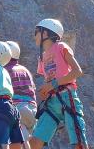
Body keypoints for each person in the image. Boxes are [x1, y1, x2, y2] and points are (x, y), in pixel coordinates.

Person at [30, 19, 89, 149]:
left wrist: (53, 84)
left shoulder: (61, 47)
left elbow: (77, 71)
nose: (34, 36)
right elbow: (49, 80)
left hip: (67, 97)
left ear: (45, 33)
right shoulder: (41, 57)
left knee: (79, 143)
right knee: (34, 143)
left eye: (36, 32)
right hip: (52, 101)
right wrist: (45, 90)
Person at [3, 41, 37, 149]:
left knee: (16, 141)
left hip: (17, 109)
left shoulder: (4, 70)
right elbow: (33, 89)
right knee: (23, 139)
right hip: (32, 109)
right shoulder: (25, 70)